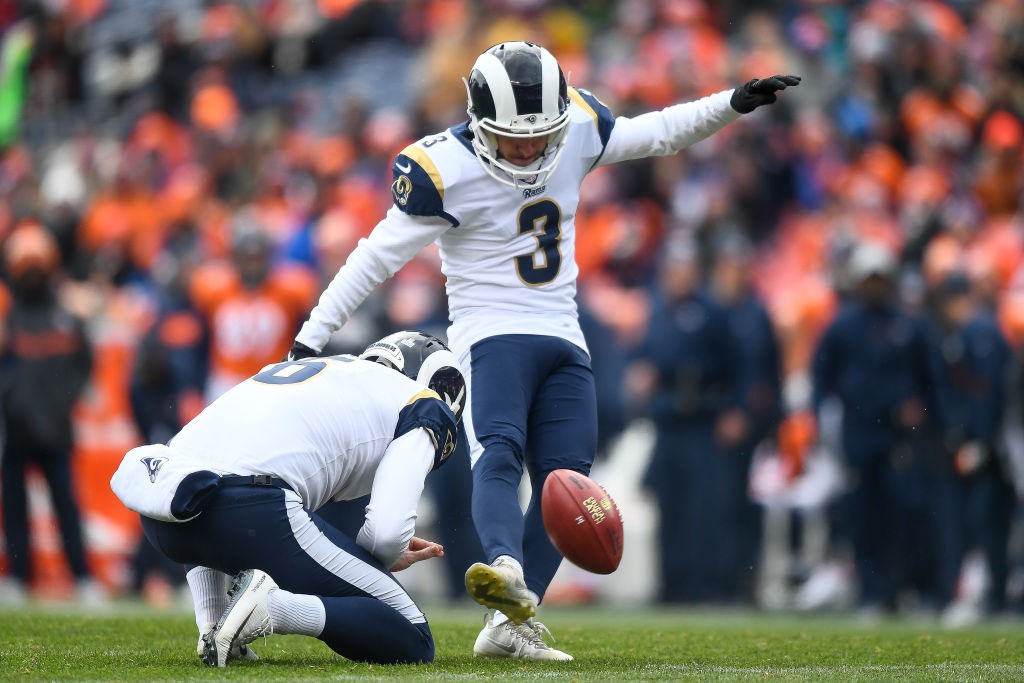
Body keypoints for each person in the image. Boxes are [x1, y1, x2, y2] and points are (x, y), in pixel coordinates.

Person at [284, 40, 799, 659]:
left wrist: (732, 103)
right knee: (497, 449)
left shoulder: (578, 127)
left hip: (563, 335)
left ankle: (510, 623)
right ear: (479, 123)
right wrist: (314, 332)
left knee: (568, 483)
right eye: (512, 137)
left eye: (539, 135)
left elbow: (658, 132)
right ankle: (502, 565)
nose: (528, 149)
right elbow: (375, 257)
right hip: (490, 334)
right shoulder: (446, 168)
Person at [110, 331, 466, 667]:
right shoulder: (422, 404)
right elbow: (386, 534)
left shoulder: (316, 370)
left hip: (165, 508)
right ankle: (273, 608)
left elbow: (207, 470)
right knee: (415, 636)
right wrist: (382, 557)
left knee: (212, 485)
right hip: (247, 511)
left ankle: (213, 629)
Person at [0, 221, 99, 604]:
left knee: (66, 507)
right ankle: (19, 578)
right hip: (18, 429)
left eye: (37, 266)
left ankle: (83, 577)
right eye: (26, 267)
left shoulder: (67, 317)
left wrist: (64, 399)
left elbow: (85, 363)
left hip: (56, 429)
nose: (32, 275)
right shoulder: (7, 319)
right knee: (15, 510)